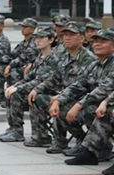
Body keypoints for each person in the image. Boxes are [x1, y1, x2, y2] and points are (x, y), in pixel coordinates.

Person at [49, 27, 114, 158]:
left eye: (103, 41)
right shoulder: (95, 65)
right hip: (95, 103)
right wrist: (59, 100)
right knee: (62, 107)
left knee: (89, 109)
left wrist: (79, 105)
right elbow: (78, 85)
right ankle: (84, 143)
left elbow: (103, 90)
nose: (97, 44)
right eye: (95, 41)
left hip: (106, 105)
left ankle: (101, 148)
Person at [30, 21, 95, 152]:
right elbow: (54, 78)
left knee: (61, 105)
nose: (67, 38)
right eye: (65, 34)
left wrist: (60, 97)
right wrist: (37, 89)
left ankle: (81, 139)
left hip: (82, 99)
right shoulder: (64, 56)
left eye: (71, 35)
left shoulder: (87, 58)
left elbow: (83, 86)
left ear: (82, 38)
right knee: (37, 98)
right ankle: (54, 139)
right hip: (65, 95)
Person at [0, 27, 57, 143]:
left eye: (41, 38)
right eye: (37, 38)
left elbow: (41, 80)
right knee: (12, 92)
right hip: (37, 89)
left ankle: (21, 132)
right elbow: (30, 76)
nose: (37, 41)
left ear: (51, 40)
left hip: (49, 91)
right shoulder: (40, 56)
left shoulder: (53, 58)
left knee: (17, 93)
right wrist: (15, 85)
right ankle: (14, 129)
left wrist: (17, 88)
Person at [0, 17, 38, 86]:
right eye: (22, 26)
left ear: (32, 30)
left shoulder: (35, 42)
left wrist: (10, 66)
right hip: (21, 65)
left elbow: (23, 57)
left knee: (13, 71)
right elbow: (13, 54)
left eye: (26, 27)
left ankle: (13, 93)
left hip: (31, 68)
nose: (23, 29)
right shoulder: (24, 42)